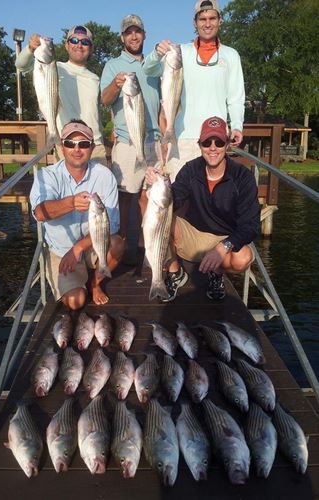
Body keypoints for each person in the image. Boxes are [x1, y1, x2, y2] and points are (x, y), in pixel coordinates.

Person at [145, 116, 260, 302]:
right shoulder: (191, 169)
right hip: (193, 234)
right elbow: (174, 198)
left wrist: (224, 247)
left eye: (219, 142)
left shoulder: (243, 177)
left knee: (244, 258)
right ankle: (175, 273)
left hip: (225, 239)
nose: (212, 147)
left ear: (227, 145)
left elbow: (251, 225)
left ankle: (217, 273)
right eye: (207, 142)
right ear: (200, 145)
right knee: (158, 219)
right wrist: (159, 184)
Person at [143, 0, 245, 180]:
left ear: (220, 20)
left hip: (216, 139)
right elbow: (148, 69)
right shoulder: (180, 52)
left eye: (212, 18)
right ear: (195, 22)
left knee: (212, 199)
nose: (207, 23)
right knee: (178, 197)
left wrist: (237, 125)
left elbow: (236, 97)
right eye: (202, 19)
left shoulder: (231, 55)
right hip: (182, 137)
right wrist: (157, 53)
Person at [30, 119, 125, 309]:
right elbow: (39, 213)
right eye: (70, 144)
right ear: (61, 147)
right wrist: (71, 203)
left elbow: (112, 226)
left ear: (91, 148)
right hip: (61, 248)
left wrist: (78, 248)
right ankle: (78, 281)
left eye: (83, 144)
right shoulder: (46, 175)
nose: (77, 149)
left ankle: (95, 283)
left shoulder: (105, 175)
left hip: (91, 244)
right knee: (76, 302)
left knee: (117, 244)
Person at [100, 14, 162, 248]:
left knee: (150, 195)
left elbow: (164, 106)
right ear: (122, 37)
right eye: (128, 32)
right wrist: (115, 86)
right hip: (127, 142)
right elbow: (105, 100)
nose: (133, 36)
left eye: (137, 31)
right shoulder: (112, 65)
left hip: (154, 141)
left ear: (144, 34)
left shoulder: (155, 65)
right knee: (124, 197)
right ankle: (123, 244)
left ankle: (146, 246)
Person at [16, 25, 107, 165]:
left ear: (91, 48)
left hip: (95, 145)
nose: (79, 45)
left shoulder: (95, 78)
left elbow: (96, 115)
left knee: (98, 187)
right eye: (74, 40)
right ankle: (53, 137)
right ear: (66, 45)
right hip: (67, 144)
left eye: (85, 42)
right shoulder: (55, 67)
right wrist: (30, 48)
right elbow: (20, 65)